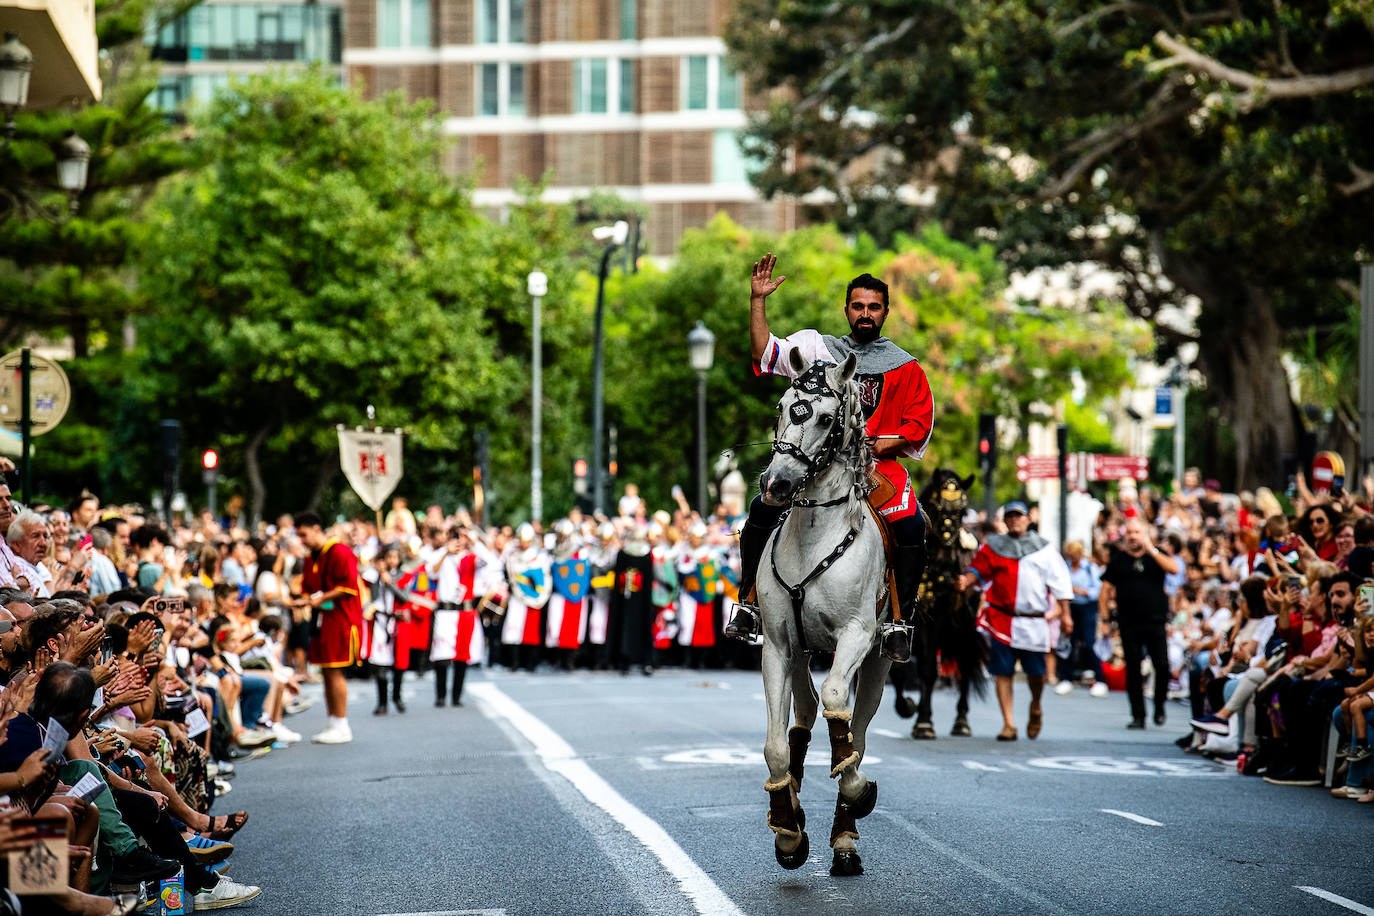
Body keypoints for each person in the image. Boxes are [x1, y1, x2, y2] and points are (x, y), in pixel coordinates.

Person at [726, 254, 935, 662]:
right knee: (760, 508)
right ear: (847, 310)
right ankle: (749, 603)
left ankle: (898, 620)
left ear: (885, 313)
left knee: (911, 527)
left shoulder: (908, 368)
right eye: (858, 306)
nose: (865, 314)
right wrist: (757, 301)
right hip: (813, 465)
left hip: (878, 470)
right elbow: (764, 352)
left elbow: (919, 424)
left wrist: (879, 444)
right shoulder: (818, 348)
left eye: (874, 307)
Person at [969, 502, 1073, 740]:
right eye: (1010, 516)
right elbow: (977, 570)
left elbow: (1060, 582)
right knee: (1002, 672)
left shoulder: (1044, 550)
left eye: (1019, 516)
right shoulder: (993, 547)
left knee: (1036, 674)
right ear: (1005, 521)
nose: (1015, 520)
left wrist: (1066, 614)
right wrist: (966, 580)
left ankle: (1035, 706)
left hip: (1033, 622)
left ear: (1028, 519)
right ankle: (1009, 724)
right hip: (1002, 619)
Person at [1100, 517, 1180, 728]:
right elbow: (1105, 590)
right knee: (1133, 669)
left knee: (1162, 666)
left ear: (1144, 534)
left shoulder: (1157, 555)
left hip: (1155, 621)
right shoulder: (1118, 560)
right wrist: (1105, 620)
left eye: (1137, 532)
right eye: (1129, 533)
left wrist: (1151, 549)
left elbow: (1174, 569)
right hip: (1128, 622)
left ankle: (1159, 705)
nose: (1133, 537)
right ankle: (1138, 715)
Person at [293, 511, 363, 745]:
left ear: (316, 529)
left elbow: (349, 586)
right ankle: (333, 721)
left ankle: (342, 723)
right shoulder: (310, 557)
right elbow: (307, 586)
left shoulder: (340, 552)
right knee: (326, 672)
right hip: (321, 619)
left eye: (303, 535)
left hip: (341, 620)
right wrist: (303, 599)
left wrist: (317, 599)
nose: (301, 540)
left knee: (334, 672)